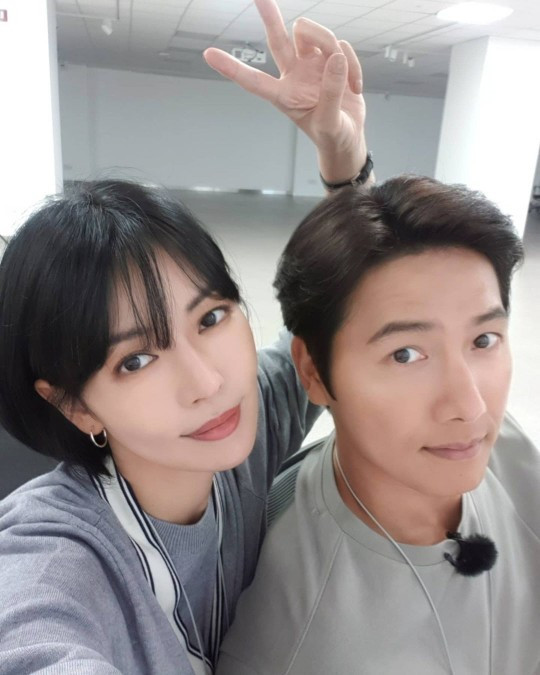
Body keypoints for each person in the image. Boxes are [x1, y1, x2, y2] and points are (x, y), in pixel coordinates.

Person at [0, 2, 372, 673]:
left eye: (210, 318)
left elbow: (328, 312)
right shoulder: (55, 561)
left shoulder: (245, 420)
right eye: (137, 359)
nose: (208, 382)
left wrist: (344, 164)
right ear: (74, 405)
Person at [216, 176, 540, 675]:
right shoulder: (296, 642)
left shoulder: (488, 445)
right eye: (406, 354)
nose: (470, 405)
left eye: (483, 341)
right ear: (313, 372)